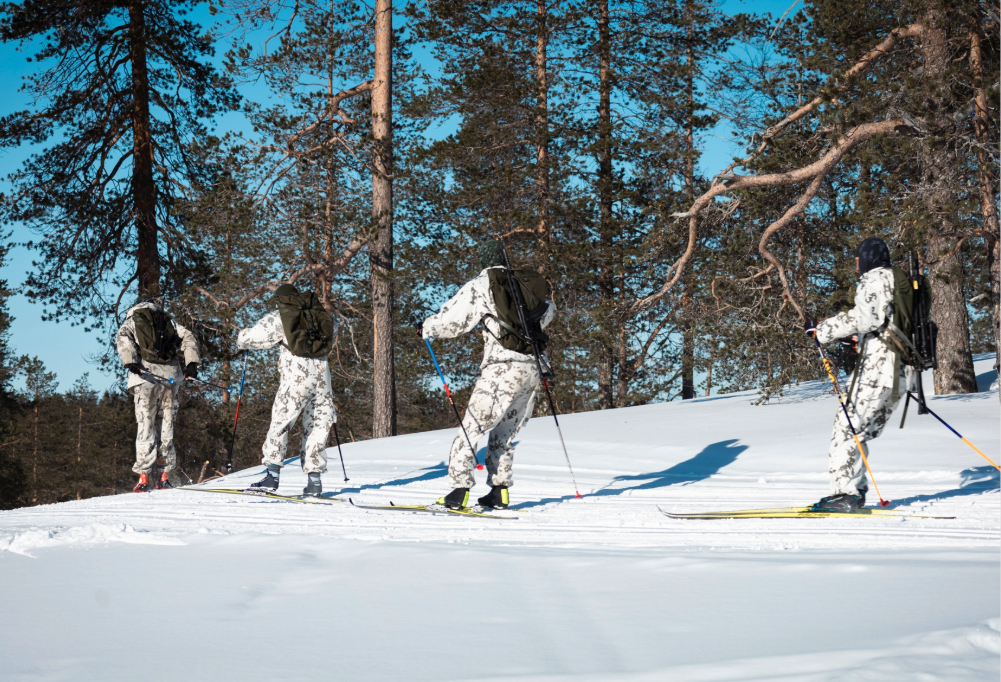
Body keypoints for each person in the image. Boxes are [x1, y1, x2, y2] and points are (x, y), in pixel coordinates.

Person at [418, 239, 555, 510]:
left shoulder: (482, 284)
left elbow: (453, 321)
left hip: (502, 368)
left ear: (483, 260)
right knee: (505, 432)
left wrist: (426, 327)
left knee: (472, 428)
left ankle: (458, 492)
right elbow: (548, 312)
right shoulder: (525, 283)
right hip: (533, 367)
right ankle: (499, 492)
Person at [806, 237, 903, 512]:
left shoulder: (876, 279)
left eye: (859, 259)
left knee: (846, 427)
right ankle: (853, 493)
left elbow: (866, 318)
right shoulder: (899, 282)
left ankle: (845, 495)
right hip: (900, 374)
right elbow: (884, 324)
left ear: (868, 258)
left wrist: (823, 330)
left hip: (878, 371)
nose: (857, 266)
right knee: (857, 431)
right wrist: (859, 340)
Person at [238, 283, 338, 496]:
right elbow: (334, 329)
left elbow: (253, 337)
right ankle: (314, 481)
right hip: (323, 380)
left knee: (281, 423)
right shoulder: (319, 316)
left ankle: (272, 477)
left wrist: (241, 338)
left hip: (296, 380)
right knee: (317, 426)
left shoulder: (281, 317)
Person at [116, 296, 200, 492]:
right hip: (171, 378)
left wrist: (131, 361)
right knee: (166, 427)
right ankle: (164, 478)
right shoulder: (166, 319)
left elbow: (122, 337)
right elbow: (188, 336)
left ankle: (143, 479)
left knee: (145, 427)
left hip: (145, 378)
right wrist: (191, 363)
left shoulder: (132, 320)